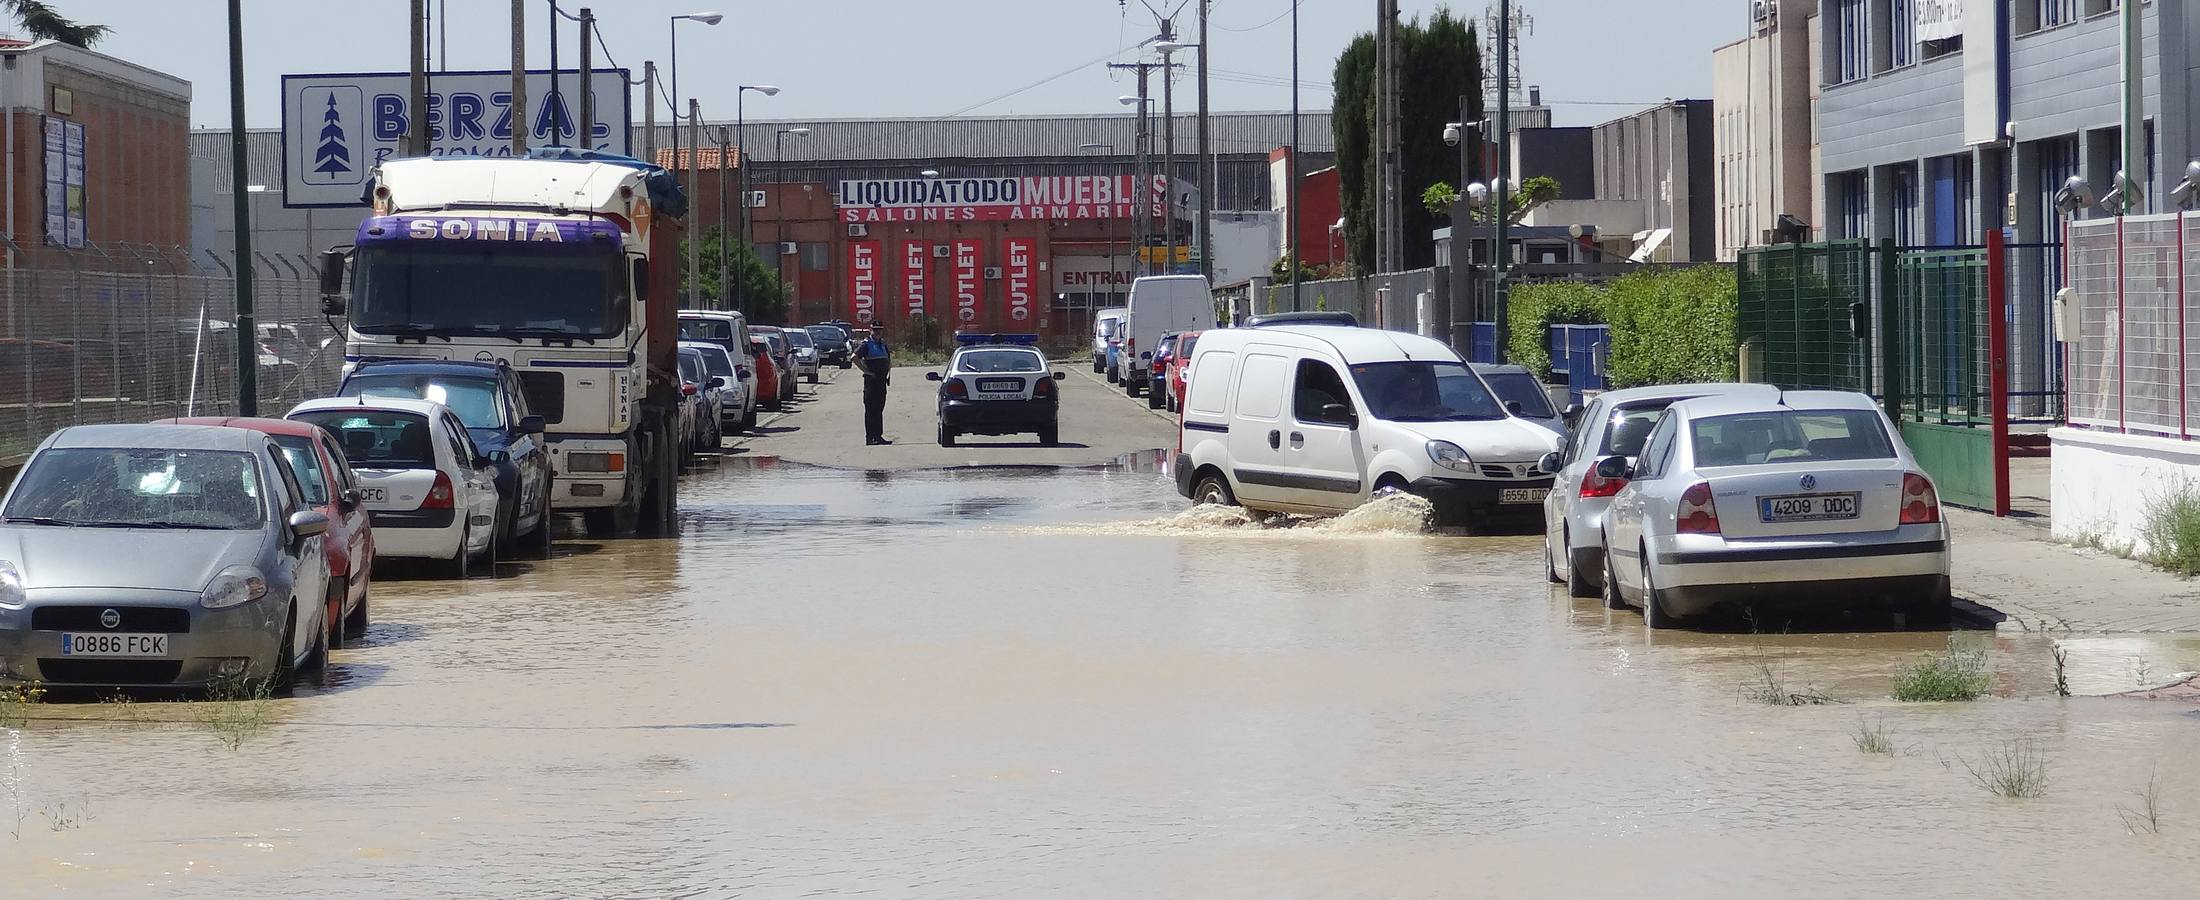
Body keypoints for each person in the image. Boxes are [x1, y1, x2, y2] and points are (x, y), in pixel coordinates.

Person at [857, 328, 892, 445]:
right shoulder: (866, 345)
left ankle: (878, 436)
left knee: (879, 409)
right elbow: (854, 357)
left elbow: (888, 359)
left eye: (880, 330)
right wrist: (866, 371)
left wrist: (888, 372)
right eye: (875, 330)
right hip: (871, 382)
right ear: (870, 330)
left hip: (881, 382)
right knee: (871, 410)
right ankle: (870, 437)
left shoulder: (883, 344)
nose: (878, 332)